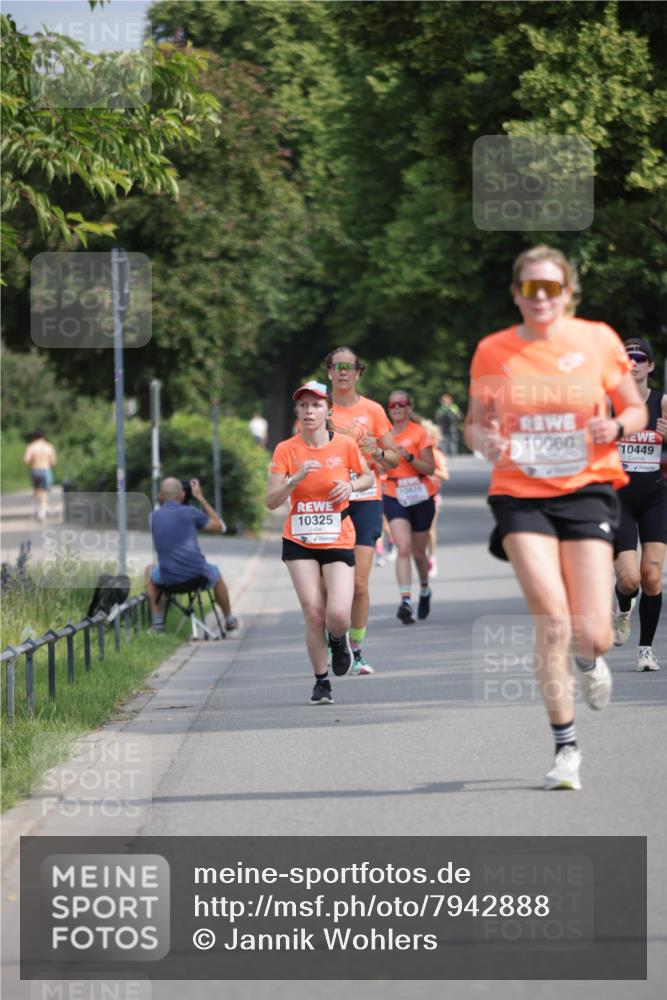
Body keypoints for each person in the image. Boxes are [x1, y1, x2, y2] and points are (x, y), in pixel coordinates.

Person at [464, 244, 646, 791]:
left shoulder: (597, 340)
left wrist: (615, 428)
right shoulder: (494, 351)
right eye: (529, 288)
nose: (540, 298)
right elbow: (475, 425)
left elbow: (635, 408)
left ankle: (592, 662)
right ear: (517, 294)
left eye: (551, 288)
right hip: (520, 493)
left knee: (591, 631)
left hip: (586, 488)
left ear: (568, 292)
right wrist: (485, 440)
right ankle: (566, 749)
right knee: (551, 615)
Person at [266, 380, 374, 704]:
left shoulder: (344, 445)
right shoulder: (286, 449)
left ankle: (338, 640)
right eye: (303, 405)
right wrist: (294, 480)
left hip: (337, 535)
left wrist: (352, 488)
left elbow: (368, 476)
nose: (309, 411)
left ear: (327, 411)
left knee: (338, 613)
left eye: (315, 405)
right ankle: (321, 680)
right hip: (299, 538)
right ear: (297, 412)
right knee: (314, 612)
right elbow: (271, 501)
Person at [325, 347, 400, 674]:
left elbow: (395, 458)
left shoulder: (373, 410)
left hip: (367, 499)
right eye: (337, 366)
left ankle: (356, 649)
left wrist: (378, 452)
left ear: (358, 372)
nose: (343, 372)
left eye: (350, 367)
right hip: (329, 500)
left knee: (358, 584)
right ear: (330, 372)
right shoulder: (317, 408)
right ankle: (335, 640)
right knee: (329, 583)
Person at [612, 337, 667, 671]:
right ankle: (622, 608)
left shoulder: (662, 404)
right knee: (630, 580)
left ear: (650, 366)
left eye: (639, 357)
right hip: (617, 499)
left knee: (651, 579)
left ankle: (645, 649)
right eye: (626, 357)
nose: (633, 363)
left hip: (656, 498)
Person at [144, 477, 238, 633]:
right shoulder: (191, 512)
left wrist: (161, 497)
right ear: (182, 495)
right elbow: (221, 527)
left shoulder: (152, 517)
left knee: (149, 570)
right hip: (197, 577)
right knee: (217, 575)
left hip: (168, 579)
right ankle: (229, 619)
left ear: (160, 495)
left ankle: (158, 623)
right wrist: (199, 497)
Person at [380, 392, 436, 623]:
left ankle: (424, 590)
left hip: (421, 495)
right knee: (402, 548)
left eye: (401, 403)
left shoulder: (419, 433)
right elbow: (378, 462)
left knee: (418, 554)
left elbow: (430, 468)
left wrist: (410, 458)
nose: (396, 407)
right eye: (392, 403)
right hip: (394, 494)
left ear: (409, 407)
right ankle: (405, 601)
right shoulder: (384, 436)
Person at [421, 418, 450, 578]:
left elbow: (446, 475)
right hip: (412, 497)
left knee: (429, 529)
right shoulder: (413, 453)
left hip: (431, 496)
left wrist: (429, 469)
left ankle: (432, 557)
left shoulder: (436, 455)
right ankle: (421, 557)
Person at [23, 429, 56, 523]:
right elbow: (53, 462)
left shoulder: (31, 447)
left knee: (37, 490)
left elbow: (26, 460)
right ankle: (42, 514)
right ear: (44, 436)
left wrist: (34, 461)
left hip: (34, 470)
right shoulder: (49, 446)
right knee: (44, 492)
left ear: (34, 437)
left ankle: (36, 510)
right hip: (45, 470)